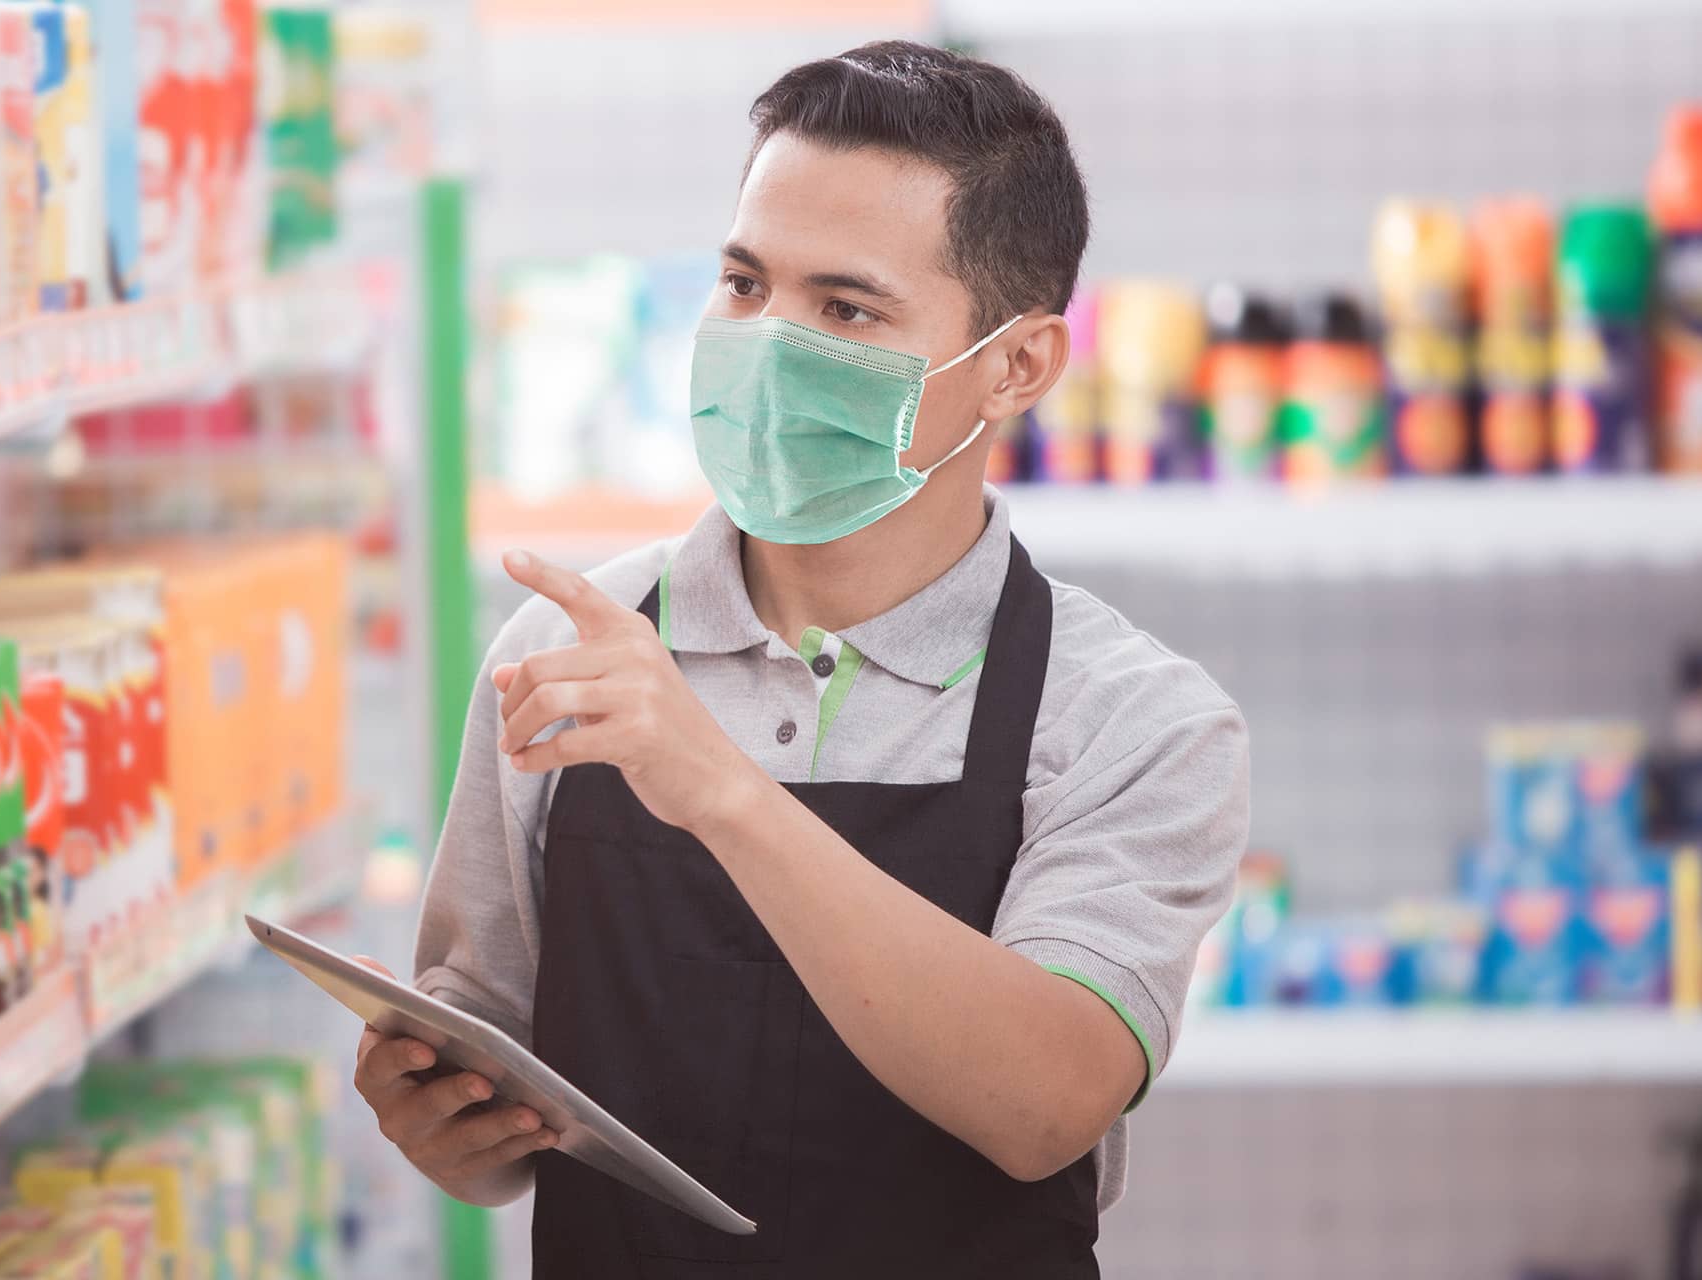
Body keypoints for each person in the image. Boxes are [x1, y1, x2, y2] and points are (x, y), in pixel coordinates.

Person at [350, 40, 1250, 1277]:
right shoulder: (566, 651)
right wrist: (441, 1123)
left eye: (845, 307)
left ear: (1017, 366)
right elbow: (493, 1097)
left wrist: (717, 786)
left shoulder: (1129, 719)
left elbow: (1046, 1104)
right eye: (741, 283)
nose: (766, 345)